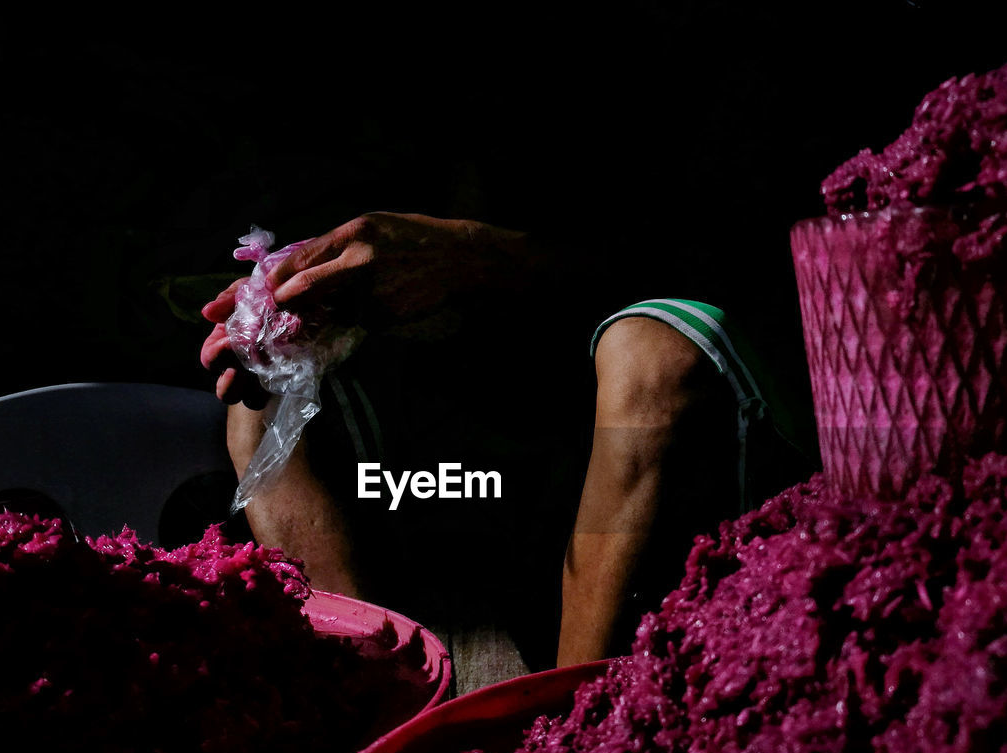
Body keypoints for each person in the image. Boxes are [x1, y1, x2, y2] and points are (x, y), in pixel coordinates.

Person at [201, 211, 815, 669]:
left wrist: (478, 255)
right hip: (474, 434)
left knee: (653, 353)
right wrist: (290, 310)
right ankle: (386, 709)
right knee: (266, 399)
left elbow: (735, 255)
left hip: (631, 379)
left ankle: (576, 730)